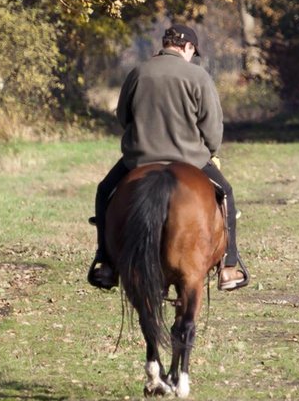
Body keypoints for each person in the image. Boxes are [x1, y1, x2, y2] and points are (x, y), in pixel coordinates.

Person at [88, 23, 249, 292]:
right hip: (191, 160)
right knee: (227, 194)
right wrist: (209, 151)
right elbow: (211, 127)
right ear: (187, 47)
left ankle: (105, 262)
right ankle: (229, 266)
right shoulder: (198, 76)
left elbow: (123, 117)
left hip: (139, 159)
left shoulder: (138, 72)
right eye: (192, 52)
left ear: (165, 44)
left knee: (104, 191)